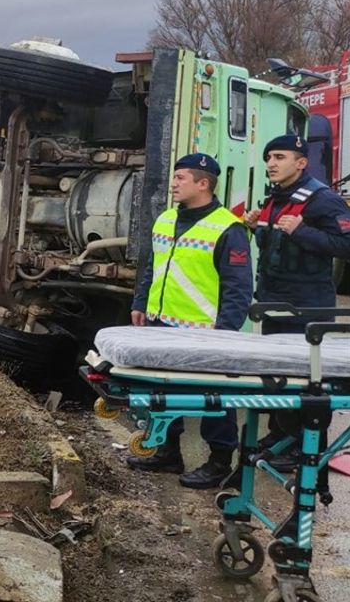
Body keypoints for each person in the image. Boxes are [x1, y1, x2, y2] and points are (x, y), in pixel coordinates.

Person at [126, 153, 253, 489]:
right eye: (175, 177)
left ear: (203, 183)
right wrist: (141, 302)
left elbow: (238, 289)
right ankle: (167, 452)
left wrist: (224, 335)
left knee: (213, 398)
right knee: (162, 394)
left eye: (181, 177)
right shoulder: (166, 219)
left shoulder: (228, 227)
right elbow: (153, 268)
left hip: (202, 331)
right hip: (160, 323)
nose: (173, 183)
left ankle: (220, 462)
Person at [243, 134, 350, 470]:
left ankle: (307, 446)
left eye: (279, 157)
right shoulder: (275, 199)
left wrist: (302, 231)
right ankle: (280, 435)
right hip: (275, 304)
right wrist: (253, 224)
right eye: (269, 158)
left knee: (307, 380)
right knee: (278, 375)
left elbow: (346, 245)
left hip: (307, 309)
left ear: (301, 162)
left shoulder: (322, 200)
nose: (271, 164)